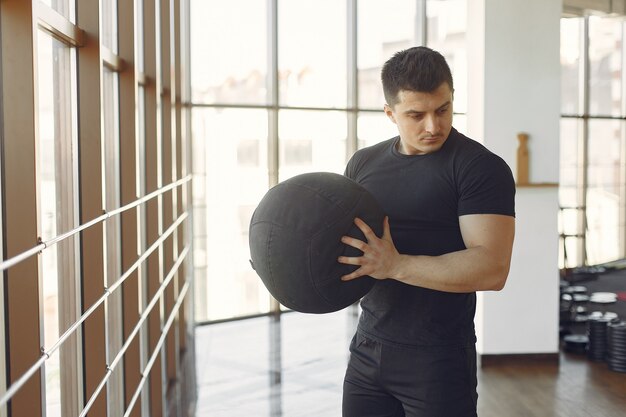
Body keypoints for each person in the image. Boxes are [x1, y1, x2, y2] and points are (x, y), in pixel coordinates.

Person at [337, 46, 516, 417]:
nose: (433, 126)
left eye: (443, 109)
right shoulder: (363, 163)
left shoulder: (480, 168)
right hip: (367, 349)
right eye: (416, 115)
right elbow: (339, 239)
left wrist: (395, 265)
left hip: (439, 360)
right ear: (390, 113)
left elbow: (492, 268)